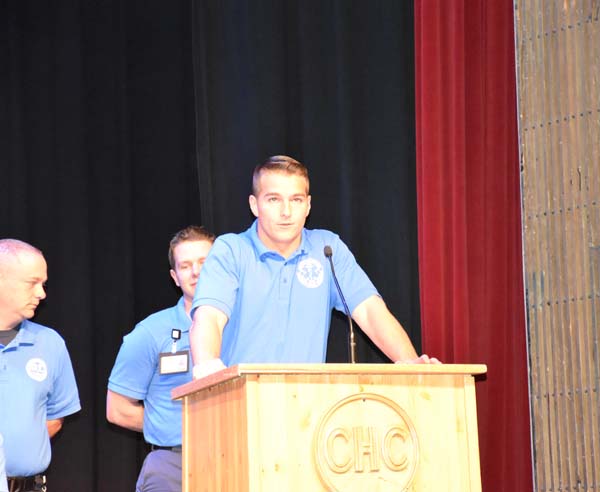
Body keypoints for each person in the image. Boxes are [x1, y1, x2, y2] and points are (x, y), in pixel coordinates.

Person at [190, 155, 439, 379]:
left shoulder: (327, 249)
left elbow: (371, 313)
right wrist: (209, 369)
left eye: (296, 200)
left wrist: (411, 365)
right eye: (274, 199)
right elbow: (209, 317)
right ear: (255, 205)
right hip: (239, 402)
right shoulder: (231, 250)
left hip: (307, 406)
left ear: (308, 205)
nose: (286, 211)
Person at [107, 226, 215, 492]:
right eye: (185, 266)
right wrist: (168, 425)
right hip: (172, 466)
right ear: (175, 277)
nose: (196, 272)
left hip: (241, 458)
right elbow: (117, 409)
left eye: (205, 262)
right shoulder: (150, 333)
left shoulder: (248, 326)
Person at [0, 239, 81, 492]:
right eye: (32, 283)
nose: (42, 293)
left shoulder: (49, 343)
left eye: (43, 284)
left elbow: (54, 419)